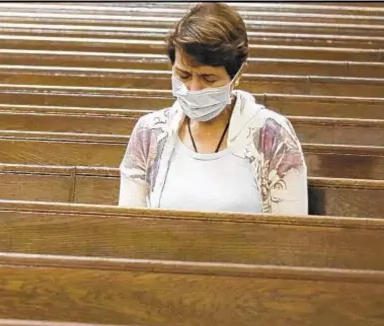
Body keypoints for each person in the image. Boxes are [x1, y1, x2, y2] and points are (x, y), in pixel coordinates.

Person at [119, 3, 307, 215]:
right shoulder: (149, 133)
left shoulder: (272, 135)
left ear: (237, 75)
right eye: (183, 75)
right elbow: (130, 224)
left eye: (208, 78)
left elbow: (291, 233)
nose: (194, 89)